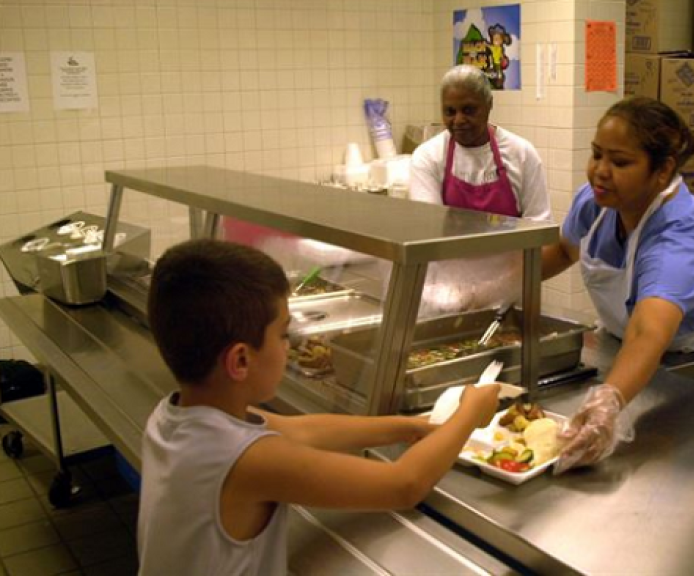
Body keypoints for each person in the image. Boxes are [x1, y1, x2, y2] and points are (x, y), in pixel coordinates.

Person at [137, 239, 500, 576]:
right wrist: (470, 413)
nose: (289, 344)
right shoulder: (245, 460)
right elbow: (403, 485)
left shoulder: (173, 416)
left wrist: (412, 427)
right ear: (241, 360)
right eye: (283, 334)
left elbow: (304, 430)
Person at [542, 97, 694, 474]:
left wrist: (608, 402)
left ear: (663, 171)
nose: (600, 171)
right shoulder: (597, 201)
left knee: (693, 457)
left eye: (620, 162)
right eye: (597, 155)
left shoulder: (678, 240)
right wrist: (495, 287)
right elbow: (563, 250)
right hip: (639, 333)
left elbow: (647, 333)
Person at [409, 64, 551, 221]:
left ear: (489, 104)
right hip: (451, 246)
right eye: (450, 112)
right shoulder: (428, 157)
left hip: (513, 246)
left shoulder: (522, 154)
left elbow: (540, 230)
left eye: (468, 110)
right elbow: (430, 227)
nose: (459, 120)